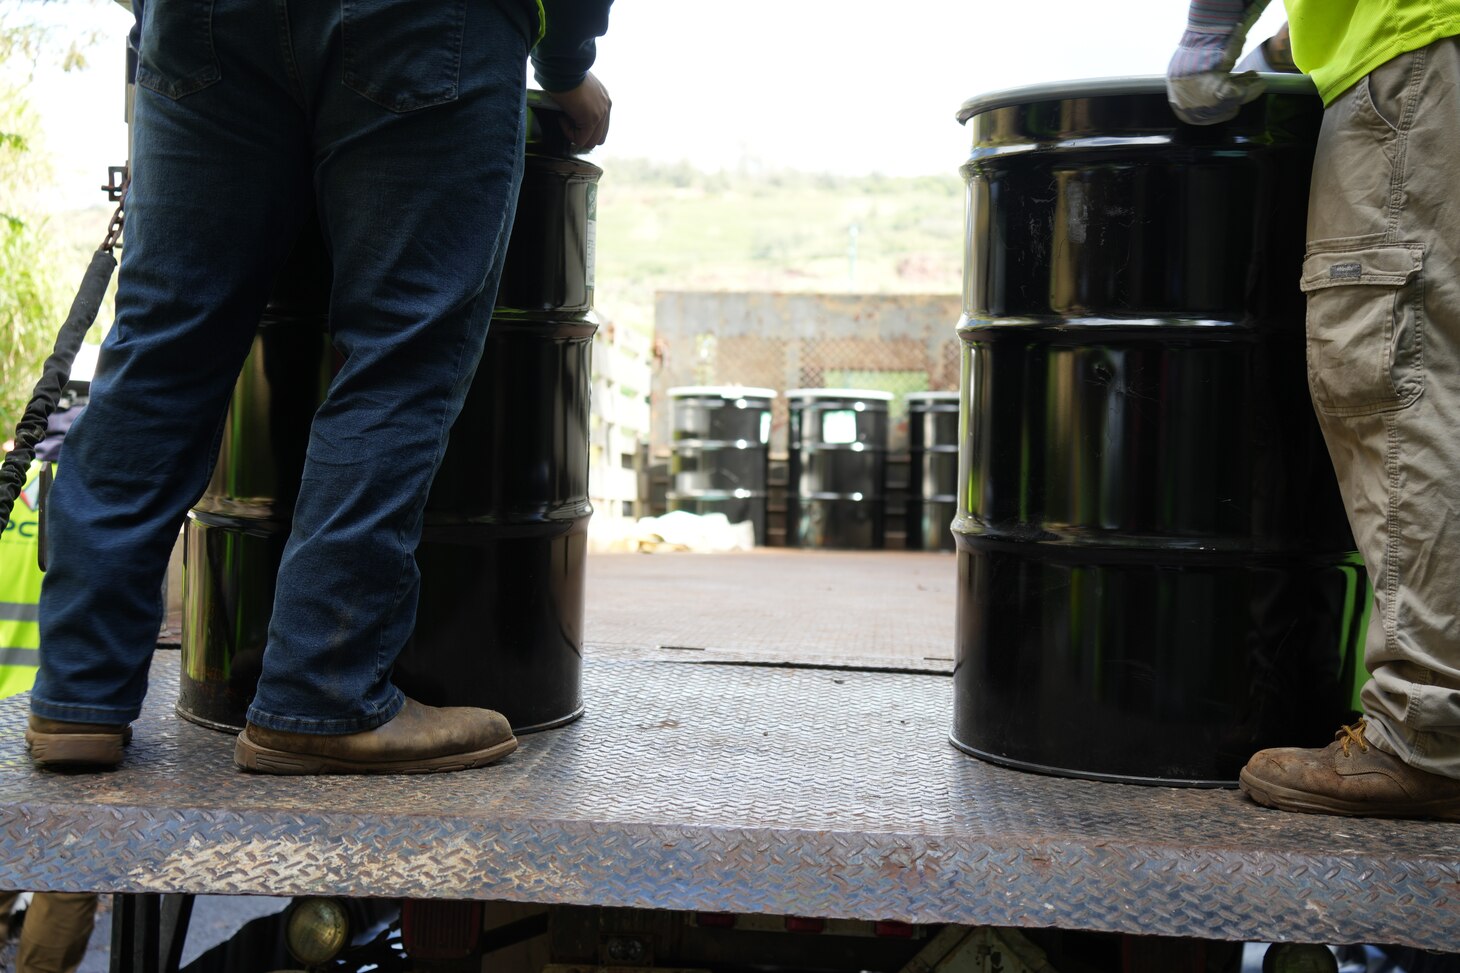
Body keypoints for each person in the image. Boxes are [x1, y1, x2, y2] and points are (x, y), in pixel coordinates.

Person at [24, 0, 613, 775]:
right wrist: (567, 64)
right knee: (400, 355)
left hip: (201, 20)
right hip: (423, 27)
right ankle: (320, 695)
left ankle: (78, 696)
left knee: (162, 347)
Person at [1168, 0, 1460, 818]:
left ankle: (1429, 740)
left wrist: (1213, 28)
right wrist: (1292, 42)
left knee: (1400, 378)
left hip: (1417, 62)